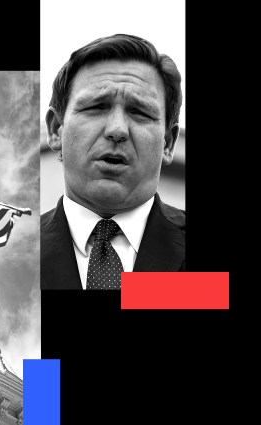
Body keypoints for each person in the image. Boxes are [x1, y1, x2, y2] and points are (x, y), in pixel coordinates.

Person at [41, 34, 185, 290]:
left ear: (168, 143)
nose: (117, 129)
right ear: (55, 130)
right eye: (96, 107)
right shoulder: (8, 258)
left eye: (139, 112)